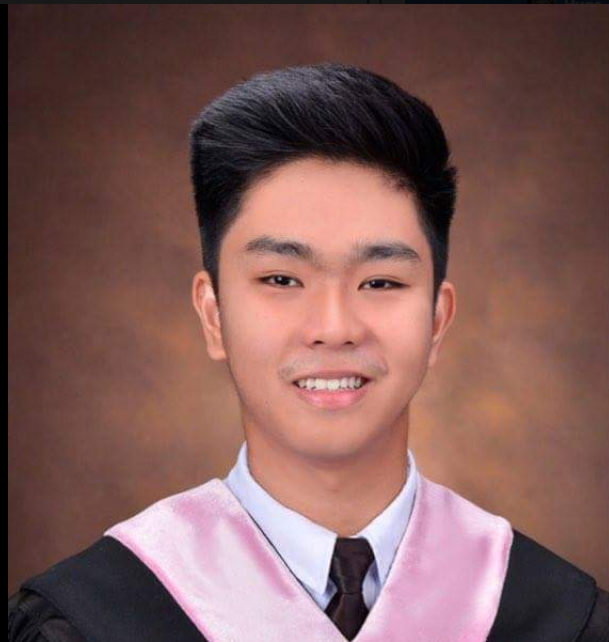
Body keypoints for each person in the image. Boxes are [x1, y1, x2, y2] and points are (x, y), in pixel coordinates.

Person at [8, 62, 609, 642]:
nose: (333, 327)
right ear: (213, 315)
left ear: (437, 321)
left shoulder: (558, 618)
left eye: (380, 282)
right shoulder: (90, 620)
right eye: (281, 279)